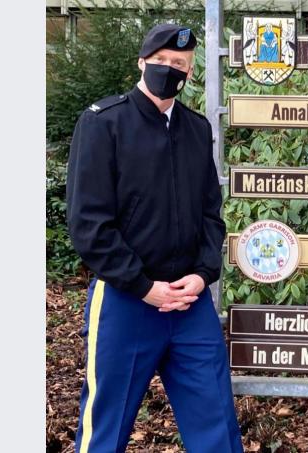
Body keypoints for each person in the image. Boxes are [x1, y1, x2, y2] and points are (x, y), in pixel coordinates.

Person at [66, 23, 243, 453]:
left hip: (189, 304)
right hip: (127, 303)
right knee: (104, 429)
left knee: (217, 426)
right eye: (161, 61)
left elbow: (210, 215)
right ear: (141, 63)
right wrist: (144, 288)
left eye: (179, 64)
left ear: (189, 73)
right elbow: (89, 224)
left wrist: (203, 275)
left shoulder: (197, 129)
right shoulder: (102, 124)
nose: (169, 69)